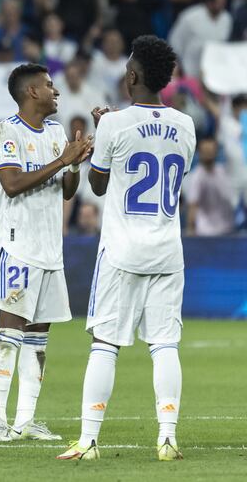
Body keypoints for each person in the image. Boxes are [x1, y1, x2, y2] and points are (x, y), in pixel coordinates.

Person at [57, 35, 195, 461]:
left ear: (132, 75)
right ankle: (168, 436)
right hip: (168, 249)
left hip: (122, 250)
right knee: (165, 345)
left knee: (105, 343)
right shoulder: (186, 125)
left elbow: (98, 184)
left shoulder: (114, 123)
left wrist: (105, 133)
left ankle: (89, 440)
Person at [0, 63, 91, 442]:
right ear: (32, 92)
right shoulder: (6, 133)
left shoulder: (56, 132)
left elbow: (66, 191)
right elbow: (12, 184)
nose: (56, 91)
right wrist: (63, 160)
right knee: (11, 332)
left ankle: (25, 420)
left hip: (50, 248)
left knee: (38, 337)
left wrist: (75, 164)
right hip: (17, 246)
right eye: (49, 85)